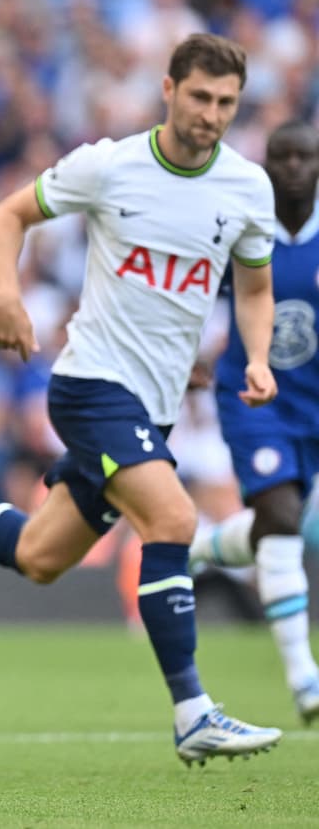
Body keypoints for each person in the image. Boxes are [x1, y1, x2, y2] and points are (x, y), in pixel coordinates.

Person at [0, 33, 283, 765]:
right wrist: (6, 298)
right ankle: (194, 709)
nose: (212, 114)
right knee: (172, 516)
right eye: (200, 96)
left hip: (154, 404)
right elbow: (8, 215)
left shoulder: (247, 189)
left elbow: (255, 288)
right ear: (168, 89)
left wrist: (256, 356)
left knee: (41, 555)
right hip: (92, 385)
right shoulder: (111, 165)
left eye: (226, 102)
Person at [187, 120, 319, 724]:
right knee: (284, 518)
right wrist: (187, 351)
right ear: (266, 166)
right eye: (282, 157)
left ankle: (207, 548)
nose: (293, 167)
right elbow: (192, 297)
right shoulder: (243, 229)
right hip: (255, 400)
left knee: (275, 522)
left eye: (304, 157)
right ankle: (304, 679)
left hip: (314, 407)